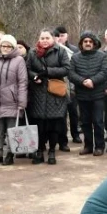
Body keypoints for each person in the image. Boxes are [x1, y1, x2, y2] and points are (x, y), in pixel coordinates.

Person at [27, 29, 71, 165]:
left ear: (53, 39)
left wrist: (48, 72)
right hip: (38, 92)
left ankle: (52, 151)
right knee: (39, 124)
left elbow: (66, 69)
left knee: (53, 124)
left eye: (47, 38)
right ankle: (39, 151)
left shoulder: (61, 51)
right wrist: (34, 76)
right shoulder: (33, 53)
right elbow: (27, 68)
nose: (44, 40)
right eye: (42, 38)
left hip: (55, 93)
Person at [0, 34, 28, 165]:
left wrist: (21, 102)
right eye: (3, 45)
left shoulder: (19, 60)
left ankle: (9, 153)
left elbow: (22, 82)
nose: (6, 48)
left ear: (13, 47)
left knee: (11, 132)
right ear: (0, 46)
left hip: (12, 102)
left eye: (9, 46)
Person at [69, 32, 107, 156]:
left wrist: (92, 81)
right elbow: (71, 73)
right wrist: (83, 81)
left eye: (90, 41)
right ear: (81, 44)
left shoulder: (102, 56)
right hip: (82, 94)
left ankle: (99, 146)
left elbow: (105, 72)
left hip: (97, 94)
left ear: (94, 43)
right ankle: (88, 146)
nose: (88, 43)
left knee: (98, 121)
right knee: (85, 122)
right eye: (85, 41)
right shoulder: (75, 57)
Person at [54, 27, 79, 150]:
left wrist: (74, 86)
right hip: (58, 87)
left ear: (67, 36)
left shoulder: (73, 50)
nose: (60, 38)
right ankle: (62, 140)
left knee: (73, 113)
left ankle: (76, 135)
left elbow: (75, 70)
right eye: (58, 35)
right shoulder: (53, 50)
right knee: (61, 115)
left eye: (62, 35)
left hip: (71, 86)